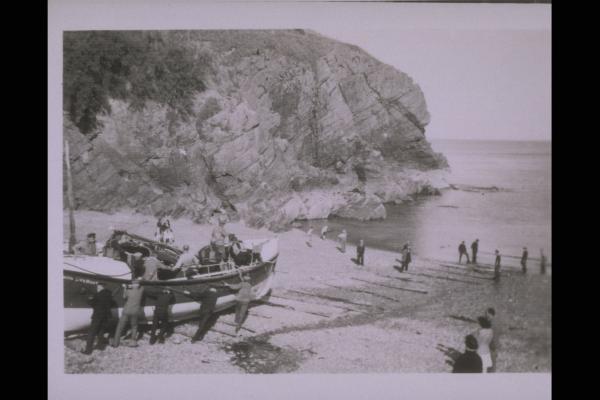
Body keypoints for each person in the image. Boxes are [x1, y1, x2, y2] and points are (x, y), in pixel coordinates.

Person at [81, 282, 116, 355]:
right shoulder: (109, 294)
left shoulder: (97, 295)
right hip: (106, 316)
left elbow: (91, 303)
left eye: (98, 287)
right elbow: (112, 304)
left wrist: (89, 298)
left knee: (92, 332)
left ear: (101, 287)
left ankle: (88, 350)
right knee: (101, 331)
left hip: (97, 316)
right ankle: (100, 346)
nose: (97, 288)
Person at [113, 280, 145, 348]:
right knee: (134, 327)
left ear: (133, 285)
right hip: (135, 311)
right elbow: (142, 285)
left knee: (120, 327)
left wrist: (125, 287)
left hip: (126, 311)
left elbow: (124, 297)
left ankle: (115, 343)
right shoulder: (140, 291)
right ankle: (132, 342)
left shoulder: (129, 291)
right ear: (138, 285)